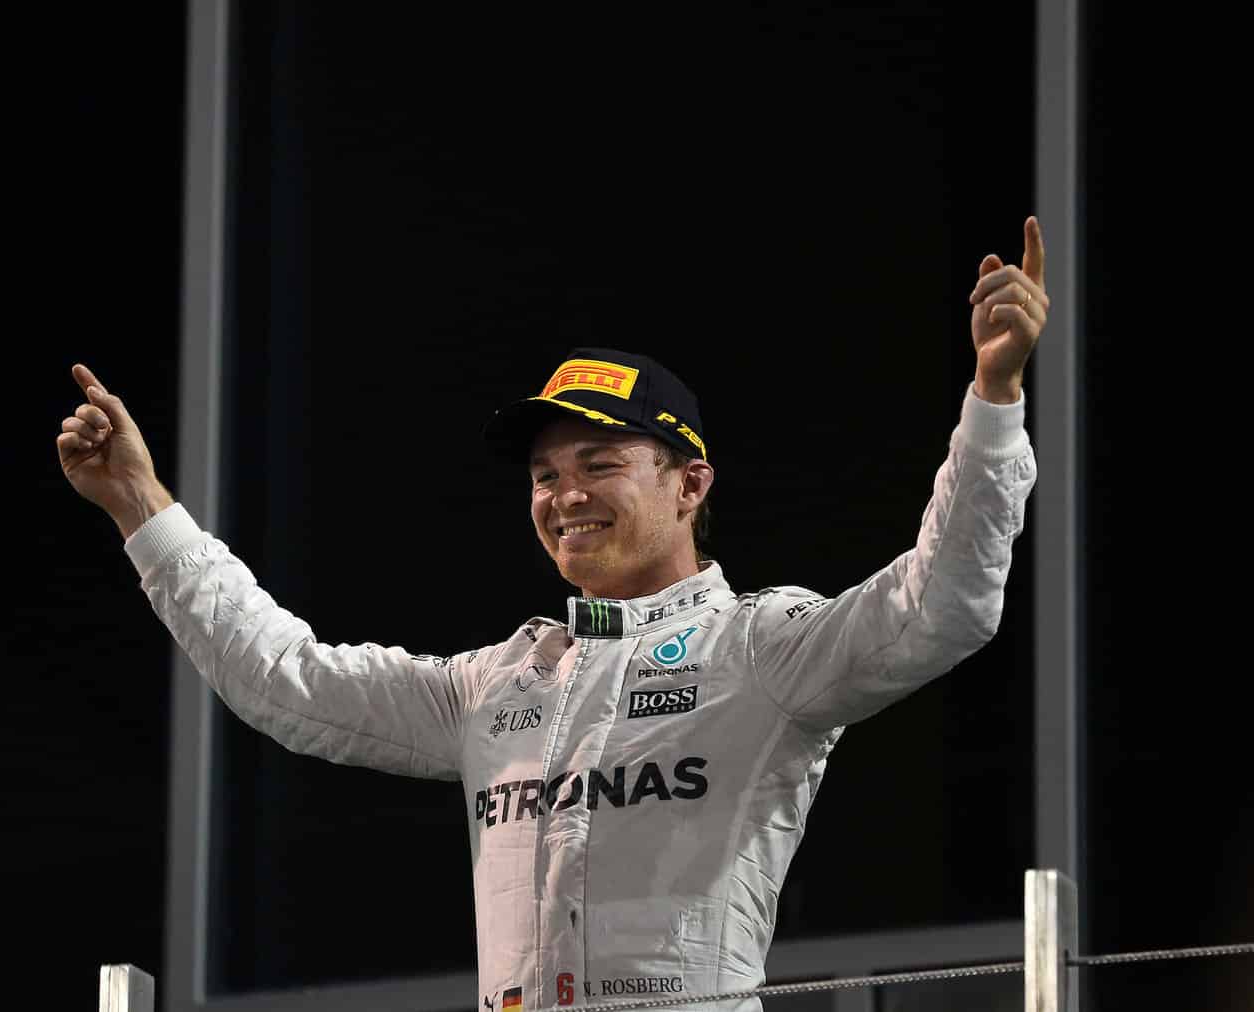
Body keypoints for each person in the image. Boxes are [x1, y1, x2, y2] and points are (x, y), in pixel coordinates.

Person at [57, 218, 1048, 1011]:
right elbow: (288, 680)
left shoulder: (761, 648)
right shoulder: (495, 684)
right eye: (544, 474)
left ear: (689, 483)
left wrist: (991, 394)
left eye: (599, 465)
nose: (563, 494)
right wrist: (141, 507)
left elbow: (939, 605)